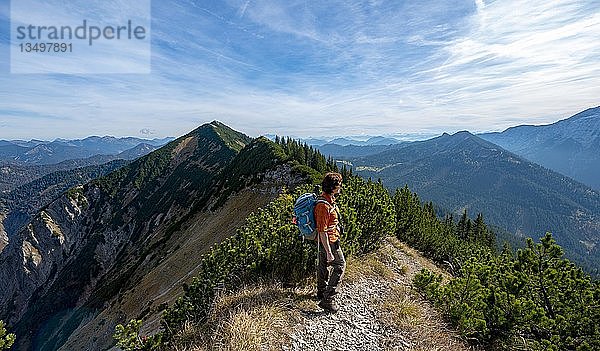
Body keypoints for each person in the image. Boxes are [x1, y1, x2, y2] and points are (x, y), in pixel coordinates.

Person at [314, 172, 346, 312]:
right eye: (339, 185)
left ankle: (321, 292)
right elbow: (322, 230)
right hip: (329, 241)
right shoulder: (323, 206)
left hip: (326, 240)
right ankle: (328, 299)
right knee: (339, 265)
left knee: (323, 265)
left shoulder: (328, 199)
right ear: (333, 187)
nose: (340, 187)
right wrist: (329, 251)